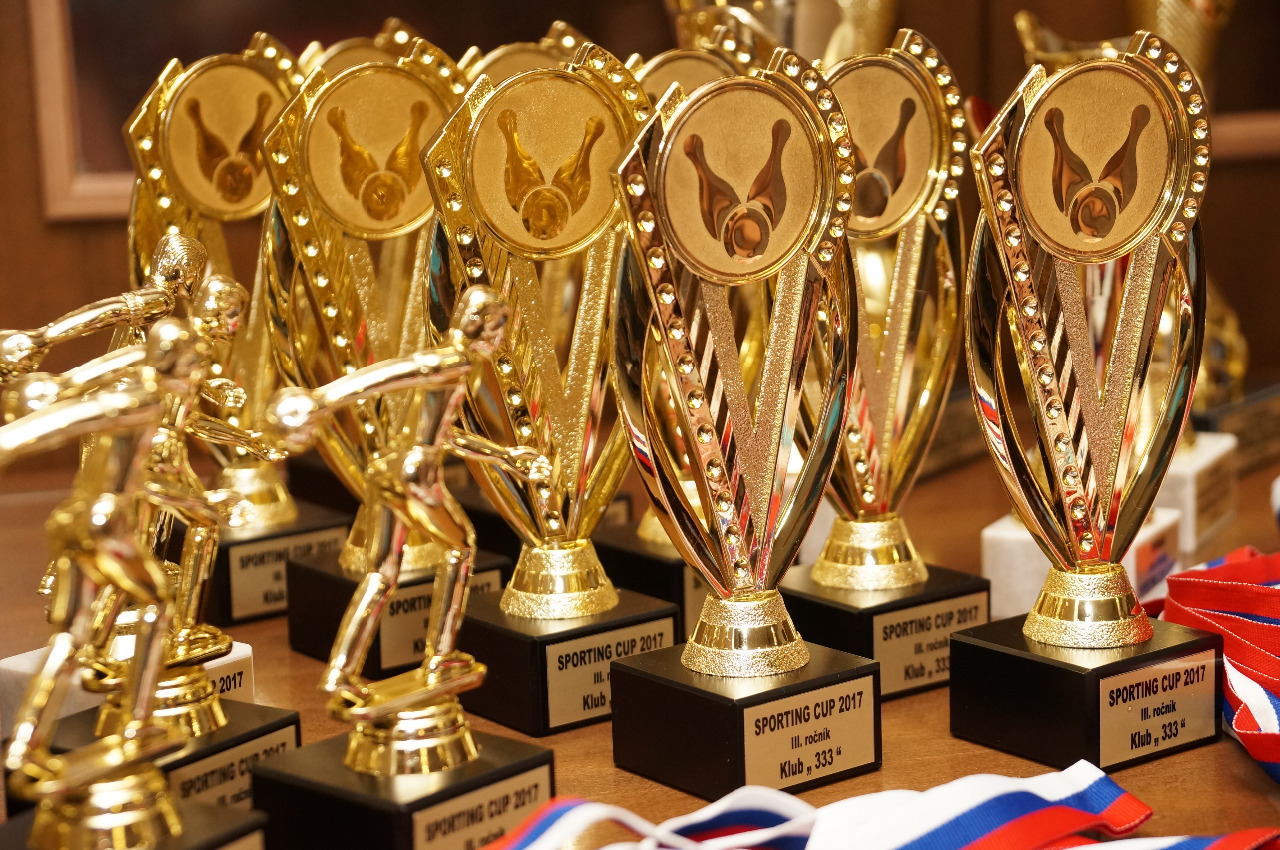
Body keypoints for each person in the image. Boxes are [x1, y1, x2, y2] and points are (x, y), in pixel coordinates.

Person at [264, 284, 549, 715]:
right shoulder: (452, 360)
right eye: (498, 328)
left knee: (382, 575)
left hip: (390, 471)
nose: (499, 339)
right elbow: (396, 372)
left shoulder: (456, 366)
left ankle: (341, 672)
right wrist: (324, 399)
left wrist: (506, 457)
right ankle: (440, 654)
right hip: (416, 474)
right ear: (480, 326)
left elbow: (447, 435)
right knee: (462, 548)